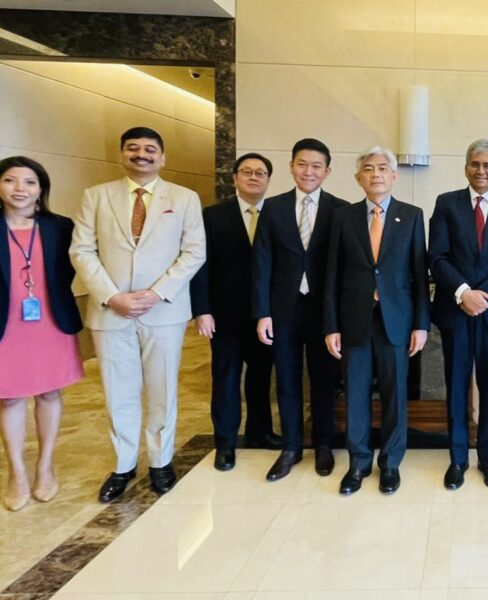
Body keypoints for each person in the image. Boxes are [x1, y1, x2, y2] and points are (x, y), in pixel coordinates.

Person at [70, 127, 206, 502]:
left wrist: (157, 292)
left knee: (163, 390)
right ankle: (123, 464)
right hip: (111, 312)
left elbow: (194, 251)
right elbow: (82, 251)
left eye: (150, 149)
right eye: (133, 148)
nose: (141, 154)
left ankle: (161, 461)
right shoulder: (96, 196)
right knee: (119, 391)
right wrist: (112, 296)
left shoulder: (184, 198)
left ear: (162, 157)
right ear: (122, 154)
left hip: (163, 310)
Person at [324, 146, 430, 495]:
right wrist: (331, 325)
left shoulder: (411, 216)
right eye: (368, 169)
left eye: (383, 168)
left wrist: (421, 324)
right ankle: (358, 462)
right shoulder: (343, 217)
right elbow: (332, 275)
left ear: (394, 176)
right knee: (355, 392)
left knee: (394, 393)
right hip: (354, 319)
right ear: (358, 178)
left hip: (396, 320)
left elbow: (419, 274)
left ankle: (390, 463)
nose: (376, 174)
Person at [428, 139, 488, 491]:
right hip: (455, 311)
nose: (481, 171)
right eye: (475, 164)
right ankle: (458, 459)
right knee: (455, 387)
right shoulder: (446, 203)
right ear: (466, 167)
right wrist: (462, 293)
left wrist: (484, 297)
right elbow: (436, 256)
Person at [252, 138, 348, 482]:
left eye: (316, 166)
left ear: (327, 171)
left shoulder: (341, 210)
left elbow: (345, 267)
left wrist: (340, 317)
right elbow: (262, 262)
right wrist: (262, 312)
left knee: (324, 380)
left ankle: (323, 445)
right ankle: (291, 447)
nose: (309, 171)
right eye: (302, 164)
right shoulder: (273, 207)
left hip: (325, 312)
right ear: (292, 166)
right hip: (283, 310)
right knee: (287, 380)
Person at [0, 156, 83, 511]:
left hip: (50, 320)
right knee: (9, 398)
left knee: (49, 393)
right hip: (6, 325)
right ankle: (16, 472)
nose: (20, 188)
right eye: (10, 180)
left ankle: (45, 465)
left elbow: (72, 268)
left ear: (41, 189)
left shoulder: (60, 227)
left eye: (30, 182)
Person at [191, 153, 282, 472]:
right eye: (247, 172)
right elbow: (200, 265)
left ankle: (260, 432)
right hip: (225, 315)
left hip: (266, 316)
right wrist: (202, 310)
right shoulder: (212, 215)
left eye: (261, 173)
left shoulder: (278, 214)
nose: (254, 177)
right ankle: (226, 442)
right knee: (226, 378)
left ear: (268, 179)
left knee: (260, 377)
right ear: (234, 178)